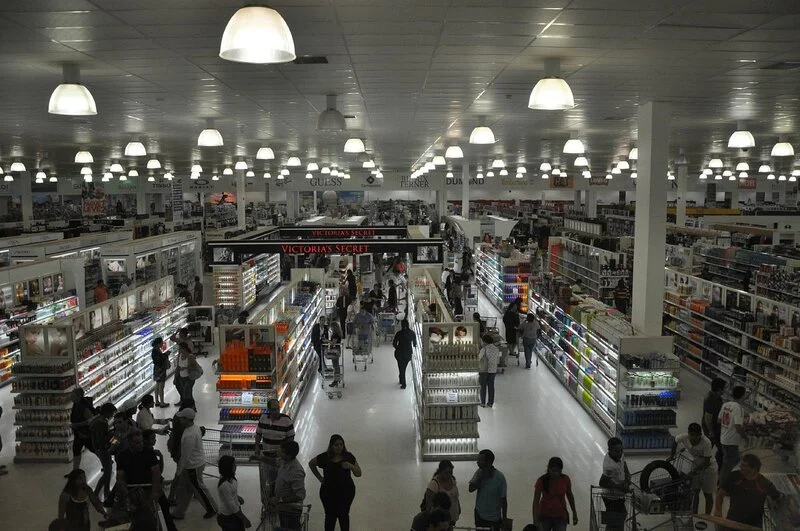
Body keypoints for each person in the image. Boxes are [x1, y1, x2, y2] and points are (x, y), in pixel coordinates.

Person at [110, 430, 164, 528]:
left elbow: (156, 473)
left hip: (147, 488)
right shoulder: (122, 453)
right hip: (131, 490)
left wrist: (155, 491)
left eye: (142, 442)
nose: (141, 445)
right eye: (137, 442)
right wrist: (127, 494)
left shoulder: (148, 453)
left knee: (158, 511)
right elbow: (120, 477)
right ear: (130, 443)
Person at [309, 434, 362, 531]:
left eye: (341, 444)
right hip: (328, 493)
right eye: (336, 445)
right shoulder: (324, 457)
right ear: (331, 446)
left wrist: (351, 466)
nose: (339, 447)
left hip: (346, 493)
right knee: (330, 517)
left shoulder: (348, 456)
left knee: (344, 515)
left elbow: (359, 473)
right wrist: (319, 477)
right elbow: (311, 463)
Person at [713, 453, 782, 529]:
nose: (740, 467)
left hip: (753, 525)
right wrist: (718, 511)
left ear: (753, 469)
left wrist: (773, 503)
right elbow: (720, 493)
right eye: (741, 464)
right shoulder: (734, 476)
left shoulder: (764, 483)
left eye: (744, 465)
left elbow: (777, 497)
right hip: (733, 522)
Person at [172, 408, 217, 520]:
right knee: (186, 490)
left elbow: (185, 456)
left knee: (199, 489)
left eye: (182, 418)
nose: (180, 419)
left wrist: (179, 471)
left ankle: (212, 509)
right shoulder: (194, 428)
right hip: (195, 464)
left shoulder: (189, 435)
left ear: (187, 419)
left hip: (193, 466)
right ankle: (179, 512)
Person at [254, 399, 295, 506]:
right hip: (266, 456)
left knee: (280, 480)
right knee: (269, 480)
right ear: (268, 410)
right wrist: (257, 446)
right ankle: (271, 499)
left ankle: (279, 500)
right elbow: (258, 433)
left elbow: (291, 438)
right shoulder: (263, 418)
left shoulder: (286, 421)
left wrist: (285, 452)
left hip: (280, 457)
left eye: (277, 408)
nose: (276, 411)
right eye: (273, 409)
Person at [670, 422, 717, 514]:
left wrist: (693, 472)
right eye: (692, 435)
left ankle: (707, 517)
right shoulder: (684, 437)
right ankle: (694, 515)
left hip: (709, 468)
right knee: (695, 492)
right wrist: (672, 456)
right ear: (689, 434)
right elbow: (675, 441)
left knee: (707, 494)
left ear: (700, 434)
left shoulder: (706, 442)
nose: (694, 438)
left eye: (697, 436)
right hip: (696, 465)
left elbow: (707, 461)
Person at [142, 429, 178, 531]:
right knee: (164, 510)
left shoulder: (151, 452)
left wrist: (161, 457)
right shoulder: (149, 453)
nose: (154, 440)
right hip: (154, 487)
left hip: (154, 486)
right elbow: (159, 472)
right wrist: (160, 458)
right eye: (152, 438)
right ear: (145, 440)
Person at [532, 457, 578, 531]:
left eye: (558, 471)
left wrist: (574, 512)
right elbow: (535, 501)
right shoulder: (541, 481)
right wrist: (535, 519)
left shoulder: (565, 479)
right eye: (553, 471)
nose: (556, 474)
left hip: (561, 516)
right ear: (549, 469)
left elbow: (569, 495)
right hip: (544, 516)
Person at [270, 440, 306, 530]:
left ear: (288, 455)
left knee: (291, 528)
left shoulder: (296, 471)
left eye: (281, 451)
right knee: (284, 527)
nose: (278, 452)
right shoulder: (284, 461)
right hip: (283, 507)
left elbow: (300, 495)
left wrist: (279, 499)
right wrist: (260, 458)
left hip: (291, 510)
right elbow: (275, 462)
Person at [468, 449, 507, 530]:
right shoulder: (479, 472)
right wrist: (481, 477)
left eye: (480, 460)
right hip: (479, 515)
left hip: (495, 518)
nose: (477, 462)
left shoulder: (500, 477)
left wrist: (505, 518)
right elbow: (470, 489)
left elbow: (503, 499)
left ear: (488, 462)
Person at [718, 385, 747, 486]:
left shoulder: (726, 404)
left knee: (734, 460)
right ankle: (723, 485)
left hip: (723, 437)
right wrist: (745, 436)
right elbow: (738, 426)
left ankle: (724, 482)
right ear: (742, 396)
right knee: (729, 464)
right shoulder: (738, 408)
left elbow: (719, 419)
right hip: (731, 440)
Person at [599, 437, 630, 531]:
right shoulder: (609, 466)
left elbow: (624, 464)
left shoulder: (619, 455)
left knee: (616, 520)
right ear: (610, 450)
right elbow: (602, 482)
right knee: (617, 520)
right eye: (617, 451)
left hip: (619, 495)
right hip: (611, 497)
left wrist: (627, 476)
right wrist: (619, 487)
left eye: (621, 450)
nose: (620, 453)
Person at [89, 403, 116, 501]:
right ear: (108, 412)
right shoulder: (101, 423)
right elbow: (102, 439)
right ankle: (104, 491)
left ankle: (99, 492)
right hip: (102, 449)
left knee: (108, 471)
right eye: (112, 413)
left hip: (98, 448)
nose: (112, 415)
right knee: (107, 472)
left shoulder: (97, 420)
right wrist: (113, 435)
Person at [216, 455, 251, 531]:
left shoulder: (231, 478)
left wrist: (237, 497)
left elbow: (231, 493)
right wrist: (244, 518)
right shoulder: (225, 484)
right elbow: (231, 506)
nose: (236, 466)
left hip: (234, 513)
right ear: (228, 467)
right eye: (234, 464)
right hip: (227, 517)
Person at [423, 460, 461, 525]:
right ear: (440, 471)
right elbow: (429, 505)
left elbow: (455, 497)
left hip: (452, 517)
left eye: (451, 472)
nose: (449, 475)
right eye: (446, 472)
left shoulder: (452, 480)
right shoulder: (434, 484)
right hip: (441, 520)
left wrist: (458, 507)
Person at [68, 387, 97, 475]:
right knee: (76, 450)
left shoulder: (84, 406)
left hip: (86, 434)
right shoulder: (76, 404)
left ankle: (107, 462)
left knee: (95, 449)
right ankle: (75, 471)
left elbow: (90, 420)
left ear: (79, 396)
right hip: (79, 433)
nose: (71, 397)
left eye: (73, 396)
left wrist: (76, 425)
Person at [702, 377, 726, 473]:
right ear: (720, 389)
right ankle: (714, 470)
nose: (725, 390)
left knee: (711, 448)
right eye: (724, 388)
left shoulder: (716, 396)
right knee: (718, 449)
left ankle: (712, 467)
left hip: (715, 428)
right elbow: (708, 417)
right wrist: (711, 431)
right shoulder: (710, 399)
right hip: (711, 429)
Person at [392, 319, 417, 389]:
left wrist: (397, 348)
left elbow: (394, 344)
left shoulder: (399, 333)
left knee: (401, 367)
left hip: (399, 353)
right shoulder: (412, 333)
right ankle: (401, 379)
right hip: (408, 353)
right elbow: (415, 344)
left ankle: (403, 382)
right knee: (403, 368)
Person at [478, 334, 501, 408]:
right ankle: (490, 403)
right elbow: (498, 360)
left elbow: (479, 358)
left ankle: (483, 402)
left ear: (485, 341)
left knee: (483, 387)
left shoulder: (484, 349)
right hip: (493, 370)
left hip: (484, 370)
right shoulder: (496, 349)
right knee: (491, 386)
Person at [150, 337, 170, 408]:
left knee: (157, 384)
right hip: (161, 370)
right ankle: (162, 402)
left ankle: (157, 401)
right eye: (161, 343)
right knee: (161, 386)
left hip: (156, 369)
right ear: (158, 344)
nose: (162, 344)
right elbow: (160, 360)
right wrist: (166, 355)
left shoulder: (155, 350)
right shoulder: (156, 350)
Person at [326, 320, 344, 387]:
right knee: (336, 365)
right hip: (336, 350)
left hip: (335, 351)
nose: (331, 329)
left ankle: (336, 380)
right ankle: (337, 378)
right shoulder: (337, 333)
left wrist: (326, 340)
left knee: (335, 365)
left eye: (332, 327)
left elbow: (333, 343)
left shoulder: (336, 334)